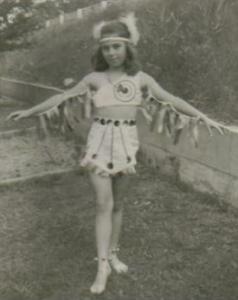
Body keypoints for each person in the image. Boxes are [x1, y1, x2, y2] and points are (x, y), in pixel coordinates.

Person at [8, 12, 224, 294]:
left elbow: (171, 99)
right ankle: (102, 267)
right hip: (100, 143)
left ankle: (113, 254)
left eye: (116, 46)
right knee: (102, 204)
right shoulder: (95, 78)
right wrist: (30, 111)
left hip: (126, 143)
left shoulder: (141, 79)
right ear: (101, 50)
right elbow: (62, 97)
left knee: (118, 204)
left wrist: (205, 118)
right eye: (106, 47)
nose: (111, 52)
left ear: (127, 47)